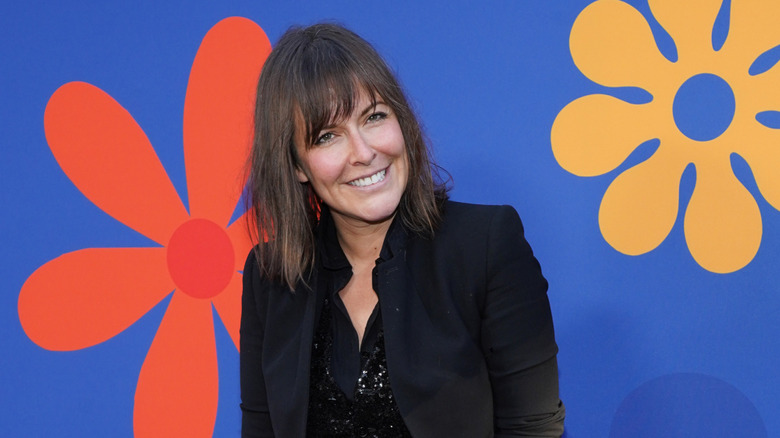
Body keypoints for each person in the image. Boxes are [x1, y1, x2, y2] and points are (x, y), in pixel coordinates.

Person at [240, 23, 565, 437]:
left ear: (402, 121)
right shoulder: (271, 276)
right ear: (297, 166)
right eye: (327, 137)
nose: (364, 153)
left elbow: (532, 429)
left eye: (374, 117)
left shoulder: (485, 247)